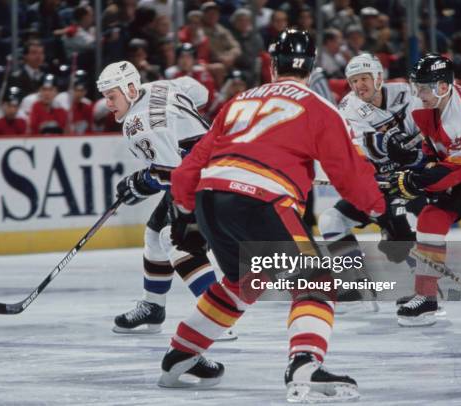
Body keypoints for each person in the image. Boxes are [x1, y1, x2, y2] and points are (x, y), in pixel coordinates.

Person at [158, 30, 385, 402]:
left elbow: (189, 169)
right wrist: (380, 210)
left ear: (272, 63)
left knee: (244, 280)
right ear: (312, 68)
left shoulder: (238, 101)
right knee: (317, 279)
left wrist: (185, 214)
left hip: (210, 197)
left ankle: (180, 355)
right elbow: (348, 174)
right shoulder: (319, 106)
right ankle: (305, 364)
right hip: (263, 199)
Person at [95, 60, 235, 340]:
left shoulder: (140, 126)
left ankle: (217, 318)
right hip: (210, 166)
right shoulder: (159, 86)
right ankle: (153, 306)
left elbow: (173, 174)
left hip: (207, 178)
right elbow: (201, 93)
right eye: (105, 97)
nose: (107, 104)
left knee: (177, 240)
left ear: (131, 89)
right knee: (155, 232)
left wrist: (139, 183)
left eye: (112, 96)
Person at [386, 54, 461, 326]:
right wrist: (414, 161)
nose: (418, 93)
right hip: (460, 165)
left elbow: (460, 169)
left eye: (423, 87)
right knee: (430, 219)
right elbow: (432, 147)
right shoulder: (431, 102)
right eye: (416, 86)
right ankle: (427, 297)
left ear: (443, 87)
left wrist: (416, 181)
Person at [318, 53, 423, 304]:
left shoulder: (407, 93)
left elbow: (426, 138)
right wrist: (390, 143)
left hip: (413, 182)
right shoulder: (348, 107)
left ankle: (427, 291)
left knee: (409, 230)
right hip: (378, 186)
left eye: (364, 78)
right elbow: (368, 147)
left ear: (378, 77)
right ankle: (354, 284)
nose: (359, 86)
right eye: (353, 81)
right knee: (330, 221)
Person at [55, 70, 93, 135]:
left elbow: (90, 128)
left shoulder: (87, 104)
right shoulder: (60, 98)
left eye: (81, 90)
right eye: (76, 90)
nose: (78, 93)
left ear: (86, 91)